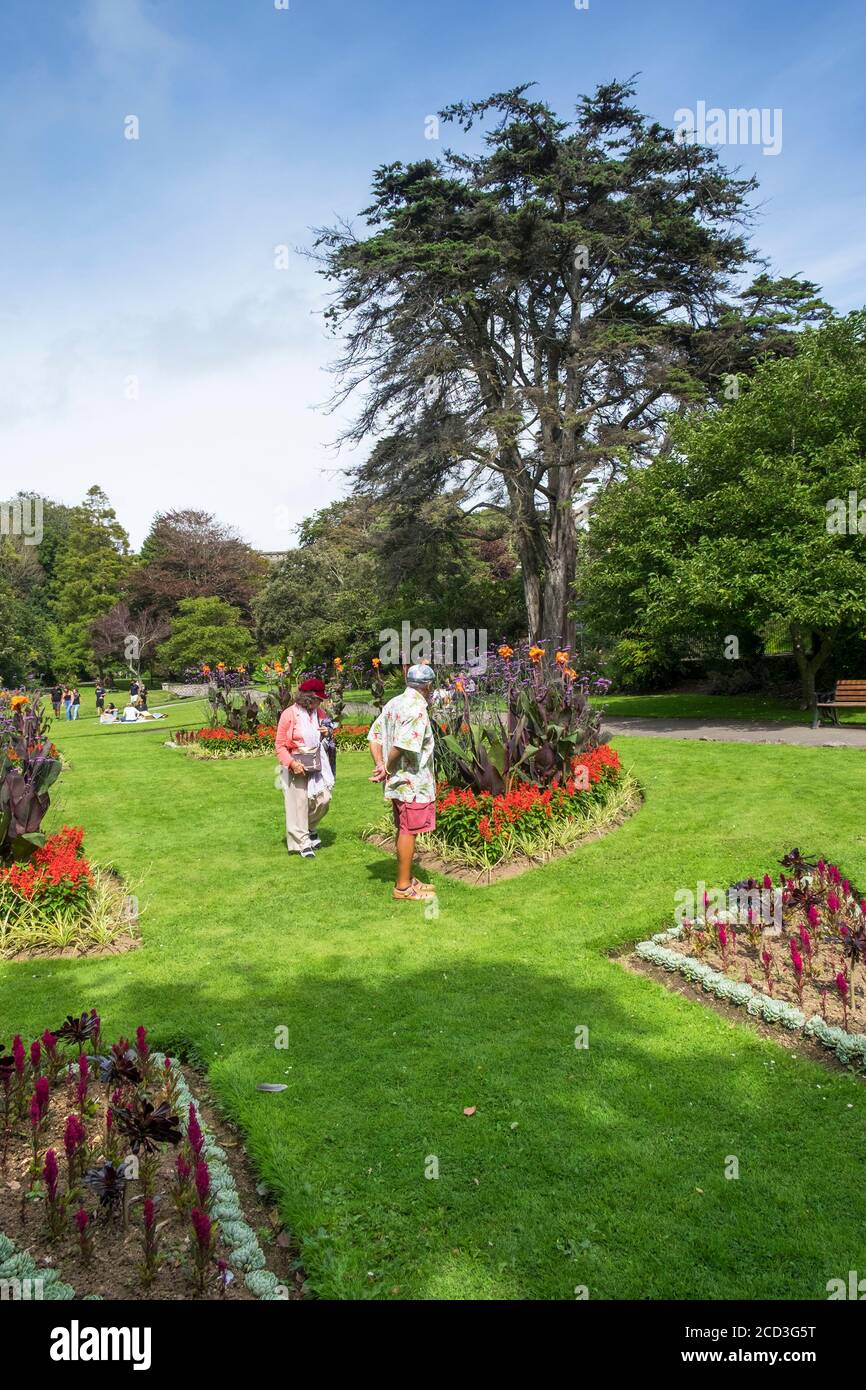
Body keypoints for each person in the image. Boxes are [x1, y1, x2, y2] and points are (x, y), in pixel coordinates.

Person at [368, 663, 437, 901]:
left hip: (398, 783)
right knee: (409, 831)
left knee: (404, 828)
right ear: (428, 686)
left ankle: (407, 878)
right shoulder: (417, 709)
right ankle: (403, 887)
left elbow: (374, 736)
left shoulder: (393, 703)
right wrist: (385, 766)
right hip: (412, 784)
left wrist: (380, 764)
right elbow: (403, 745)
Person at [275, 678, 334, 858]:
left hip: (317, 762)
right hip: (295, 762)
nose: (320, 702)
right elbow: (280, 745)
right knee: (297, 804)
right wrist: (292, 763)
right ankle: (302, 843)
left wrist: (328, 732)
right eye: (318, 698)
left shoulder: (320, 713)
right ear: (307, 698)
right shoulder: (289, 714)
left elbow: (328, 734)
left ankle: (308, 827)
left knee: (324, 799)